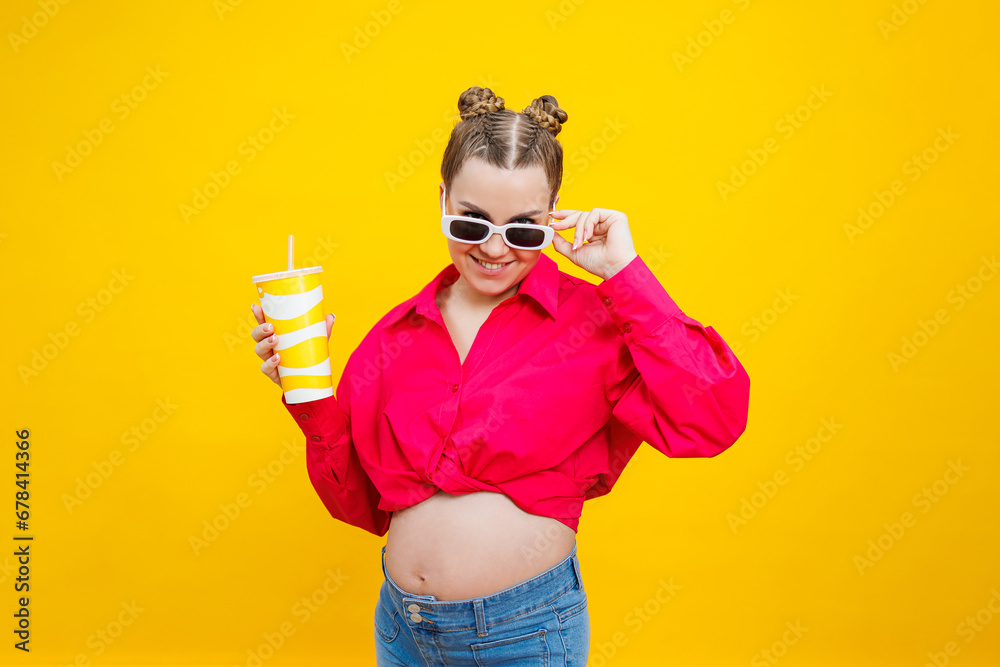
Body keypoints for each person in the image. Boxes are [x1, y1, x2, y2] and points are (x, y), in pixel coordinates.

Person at [249, 86, 751, 666]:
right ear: (442, 200)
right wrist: (305, 396)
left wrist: (625, 275)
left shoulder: (597, 323)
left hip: (525, 635)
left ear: (554, 212)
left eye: (523, 229)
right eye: (472, 223)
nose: (493, 248)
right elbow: (360, 507)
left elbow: (713, 420)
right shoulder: (393, 338)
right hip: (402, 633)